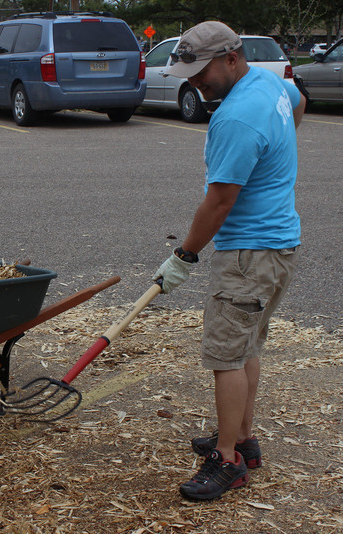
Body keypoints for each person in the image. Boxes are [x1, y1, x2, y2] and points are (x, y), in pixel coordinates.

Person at [153, 21, 305, 501]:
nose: (194, 81)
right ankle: (243, 437)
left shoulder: (236, 118)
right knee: (246, 349)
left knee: (224, 358)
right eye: (188, 72)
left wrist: (184, 256)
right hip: (278, 246)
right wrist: (278, 151)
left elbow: (218, 203)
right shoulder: (267, 81)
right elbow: (298, 102)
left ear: (231, 58)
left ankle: (227, 460)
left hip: (248, 254)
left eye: (202, 71)